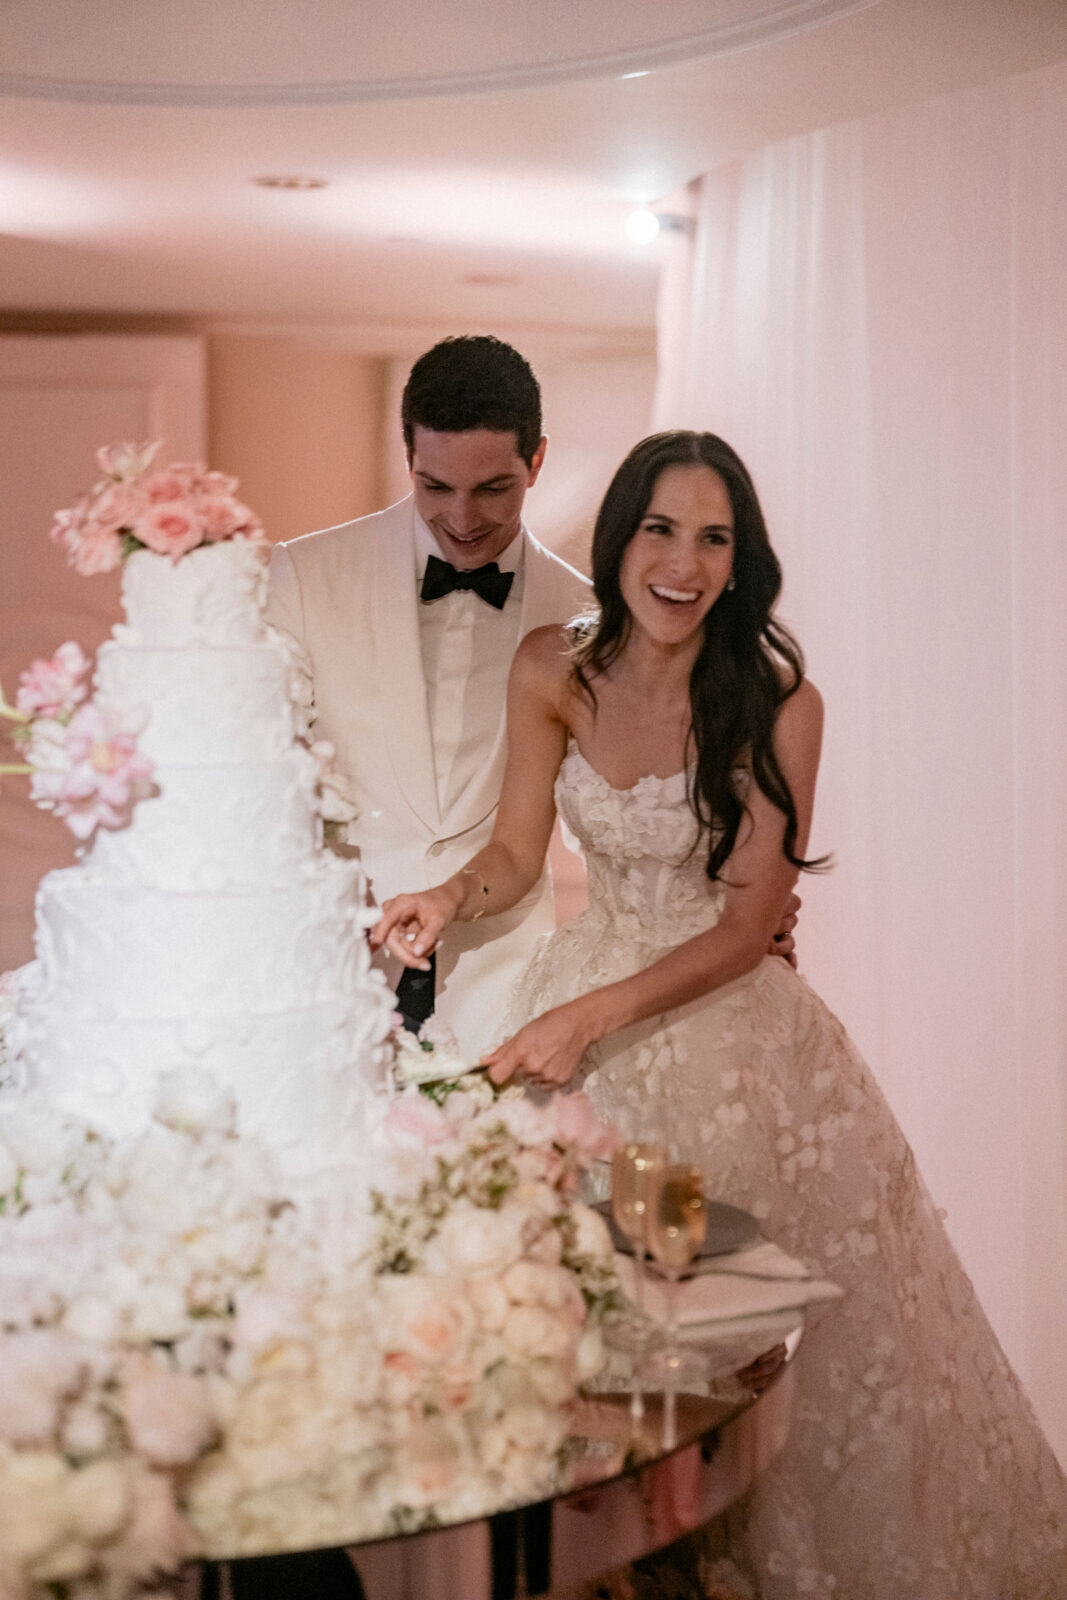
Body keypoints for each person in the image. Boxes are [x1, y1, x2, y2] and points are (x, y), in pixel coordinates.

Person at [372, 431, 1067, 1599]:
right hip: (582, 1013)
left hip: (728, 1045)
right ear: (620, 537)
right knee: (571, 1337)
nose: (681, 562)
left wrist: (593, 1015)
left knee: (710, 1356)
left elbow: (745, 929)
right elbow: (510, 850)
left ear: (739, 562)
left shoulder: (782, 705)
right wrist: (445, 898)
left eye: (713, 537)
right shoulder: (552, 666)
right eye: (660, 528)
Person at [269, 337, 799, 1051]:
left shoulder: (593, 621)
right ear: (409, 461)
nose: (460, 517)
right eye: (435, 487)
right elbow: (260, 773)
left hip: (509, 983)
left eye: (492, 489)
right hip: (330, 967)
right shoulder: (304, 576)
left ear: (537, 461)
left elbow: (653, 791)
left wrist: (744, 901)